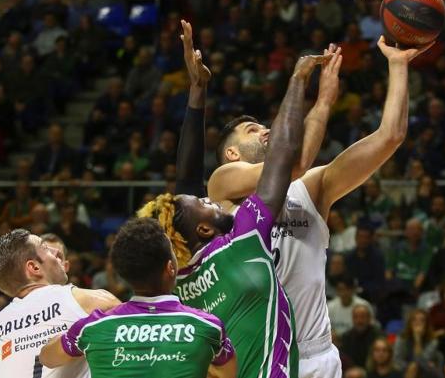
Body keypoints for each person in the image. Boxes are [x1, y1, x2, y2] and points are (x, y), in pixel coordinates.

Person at [204, 36, 433, 378]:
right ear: (232, 154)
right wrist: (323, 100)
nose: (267, 132)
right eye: (254, 131)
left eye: (267, 127)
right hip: (256, 354)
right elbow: (292, 163)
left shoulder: (310, 189)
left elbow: (391, 136)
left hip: (315, 357)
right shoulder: (222, 187)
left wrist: (398, 65)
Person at [137, 20, 326, 378]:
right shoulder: (242, 243)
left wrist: (197, 91)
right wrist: (299, 81)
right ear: (205, 228)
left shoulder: (180, 274)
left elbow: (186, 182)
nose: (209, 198)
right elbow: (287, 158)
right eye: (205, 204)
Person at [40, 217, 237, 377]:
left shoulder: (91, 327)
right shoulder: (208, 326)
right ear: (170, 268)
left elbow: (47, 358)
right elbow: (227, 374)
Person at [0, 229, 120, 378]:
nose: (57, 252)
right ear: (34, 267)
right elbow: (141, 328)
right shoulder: (85, 299)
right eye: (46, 248)